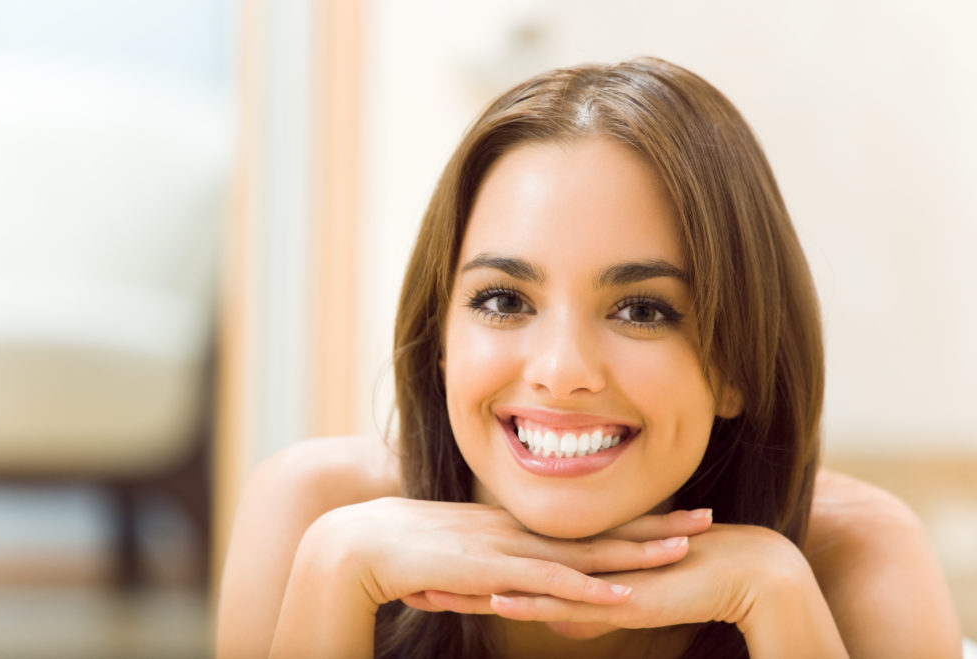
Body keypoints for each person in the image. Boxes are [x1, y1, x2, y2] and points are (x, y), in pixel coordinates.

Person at [216, 57, 962, 658]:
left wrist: (777, 595)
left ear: (736, 361)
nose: (561, 368)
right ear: (441, 339)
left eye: (642, 310)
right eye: (504, 300)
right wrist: (336, 572)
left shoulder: (855, 556)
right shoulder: (319, 515)